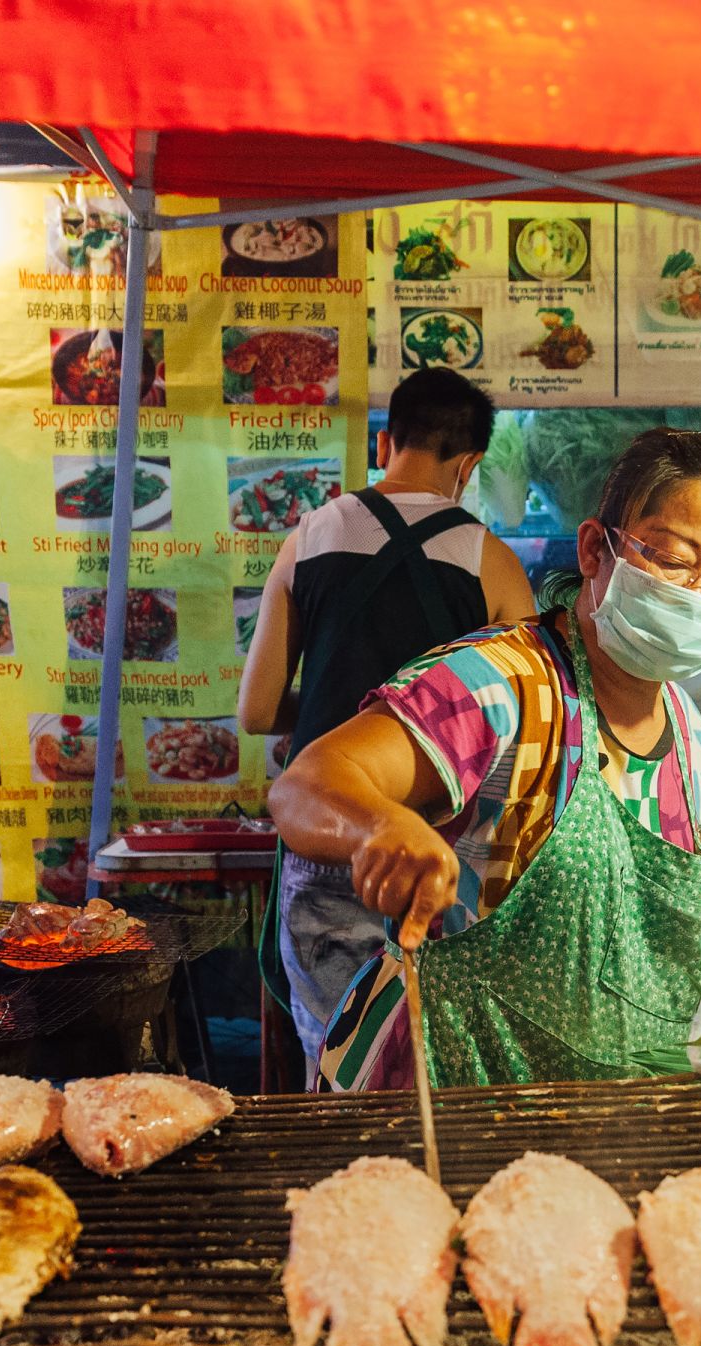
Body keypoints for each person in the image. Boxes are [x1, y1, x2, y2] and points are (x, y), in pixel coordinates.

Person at [272, 428, 701, 1089]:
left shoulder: (687, 733)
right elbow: (308, 783)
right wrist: (377, 824)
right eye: (673, 559)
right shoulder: (500, 685)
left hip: (614, 1120)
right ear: (596, 550)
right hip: (455, 1103)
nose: (697, 595)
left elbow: (674, 889)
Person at [235, 368, 536, 1072]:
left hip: (329, 839)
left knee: (345, 1073)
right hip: (441, 860)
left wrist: (323, 716)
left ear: (384, 442)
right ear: (468, 466)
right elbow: (531, 725)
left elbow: (255, 712)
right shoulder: (489, 560)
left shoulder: (310, 536)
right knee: (438, 1074)